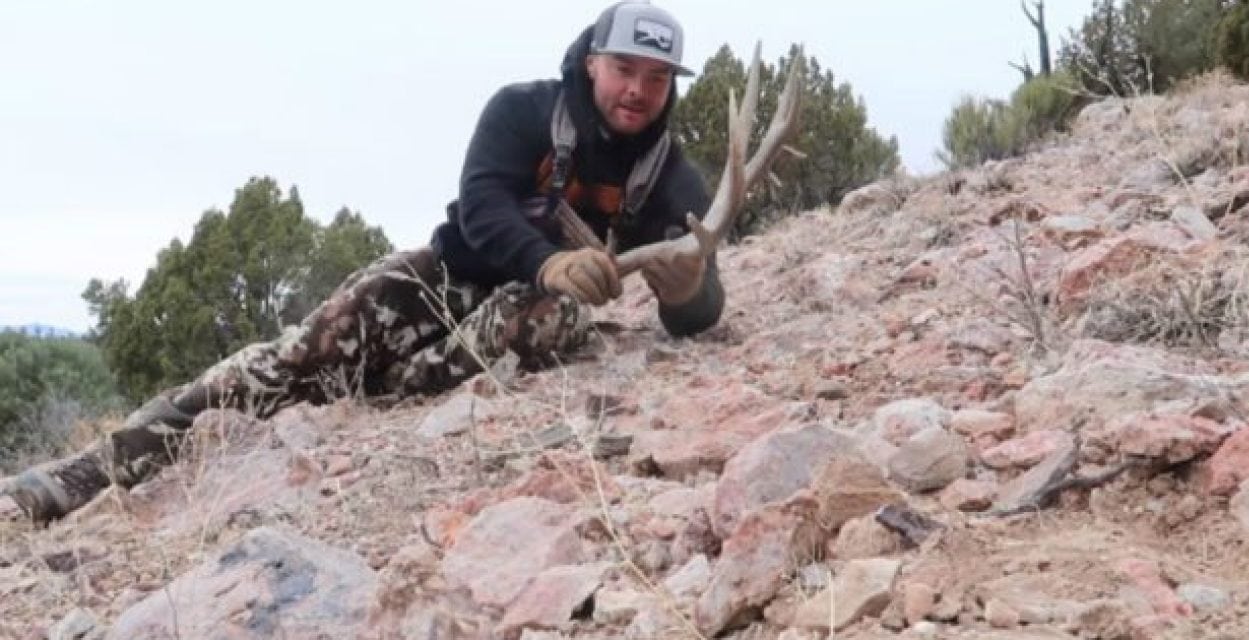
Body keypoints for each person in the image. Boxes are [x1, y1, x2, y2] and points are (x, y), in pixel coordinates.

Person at [3, 1, 725, 525]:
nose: (637, 90)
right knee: (292, 360)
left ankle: (386, 391)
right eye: (625, 69)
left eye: (657, 79)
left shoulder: (671, 177)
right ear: (593, 61)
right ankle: (91, 471)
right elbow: (481, 204)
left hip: (521, 315)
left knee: (556, 316)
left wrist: (689, 293)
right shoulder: (522, 111)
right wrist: (547, 261)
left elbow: (699, 308)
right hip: (444, 276)